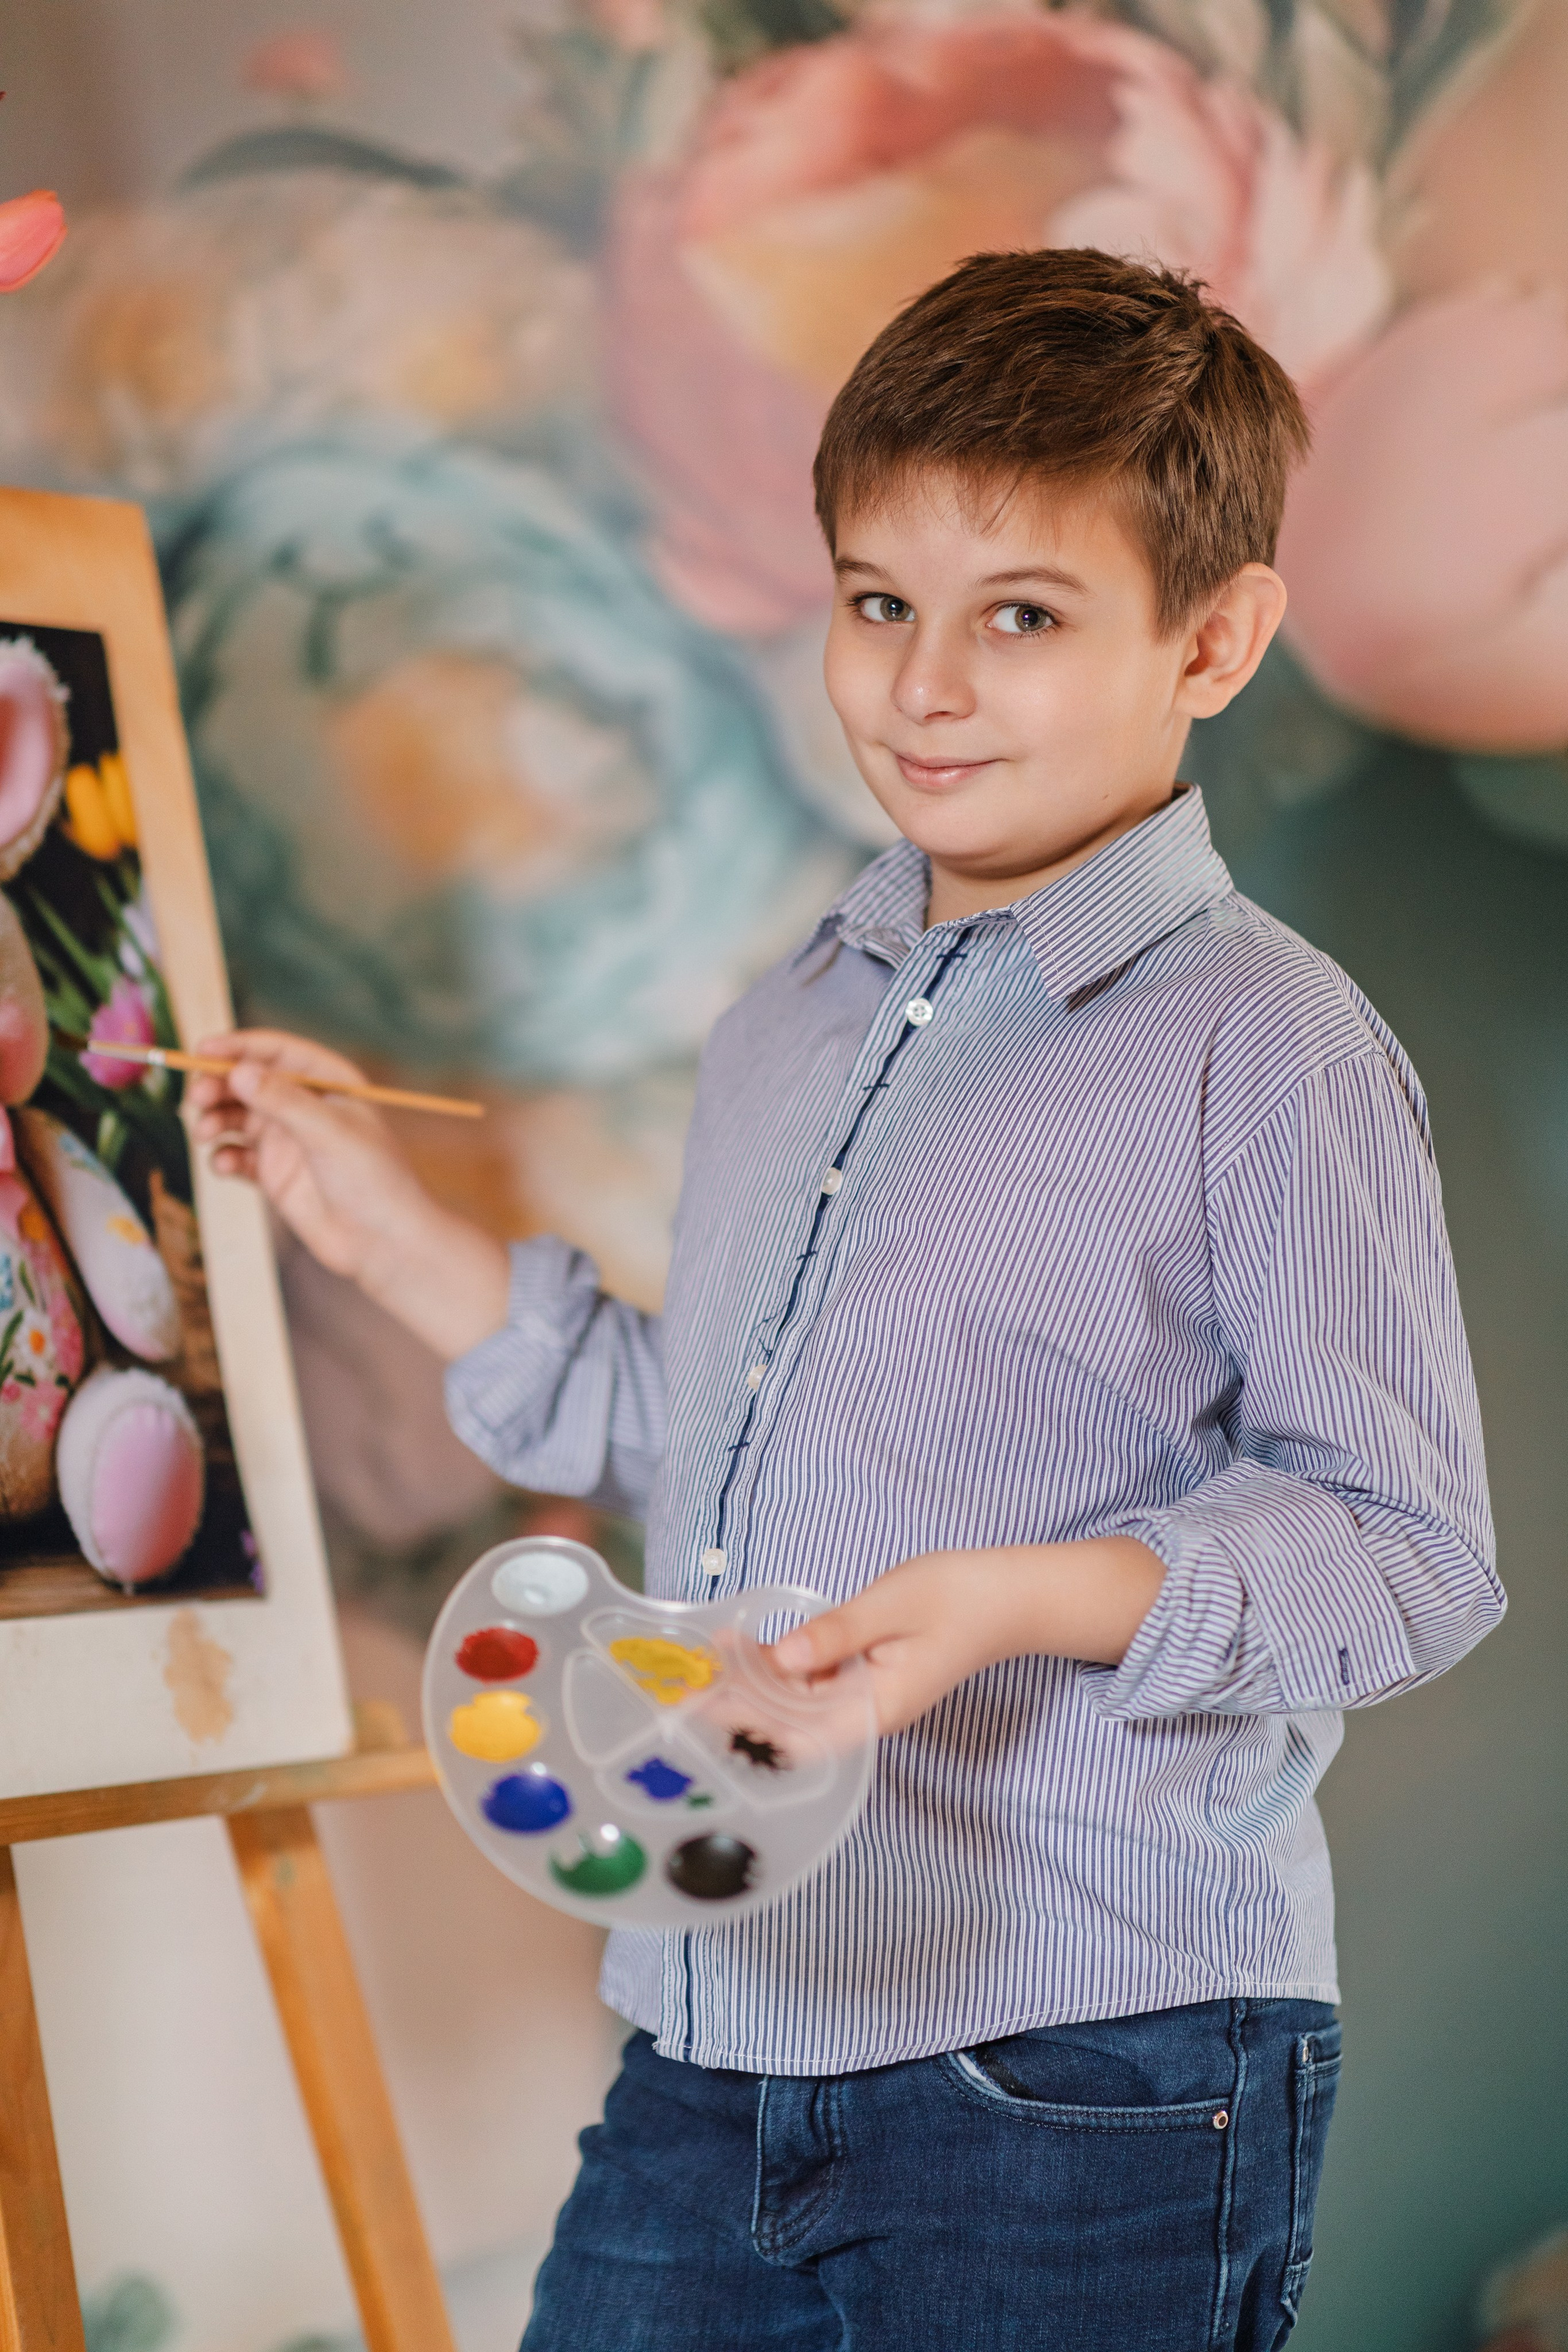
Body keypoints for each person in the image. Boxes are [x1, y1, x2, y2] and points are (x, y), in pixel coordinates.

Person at [192, 248, 1502, 2351]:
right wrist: (371, 1225)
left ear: (1218, 638)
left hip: (1089, 2064)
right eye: (880, 602)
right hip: (712, 2034)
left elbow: (1413, 1549)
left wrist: (1011, 1595)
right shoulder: (788, 1024)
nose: (926, 686)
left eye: (1024, 618)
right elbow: (684, 1436)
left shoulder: (1271, 1042)